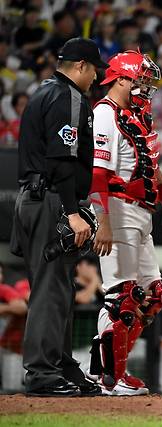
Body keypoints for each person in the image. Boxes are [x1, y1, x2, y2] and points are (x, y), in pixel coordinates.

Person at [87, 50, 162, 396]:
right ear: (122, 79)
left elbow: (151, 170)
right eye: (140, 81)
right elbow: (98, 174)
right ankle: (110, 379)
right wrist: (103, 222)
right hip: (118, 208)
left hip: (143, 212)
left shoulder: (137, 116)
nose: (145, 88)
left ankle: (115, 373)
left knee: (154, 296)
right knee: (123, 297)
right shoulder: (105, 113)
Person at [10, 37, 108, 397]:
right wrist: (72, 211)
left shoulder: (44, 91)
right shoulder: (67, 96)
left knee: (59, 290)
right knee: (51, 291)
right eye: (94, 68)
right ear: (80, 66)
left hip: (36, 198)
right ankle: (42, 373)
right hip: (50, 199)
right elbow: (62, 160)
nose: (96, 76)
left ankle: (60, 365)